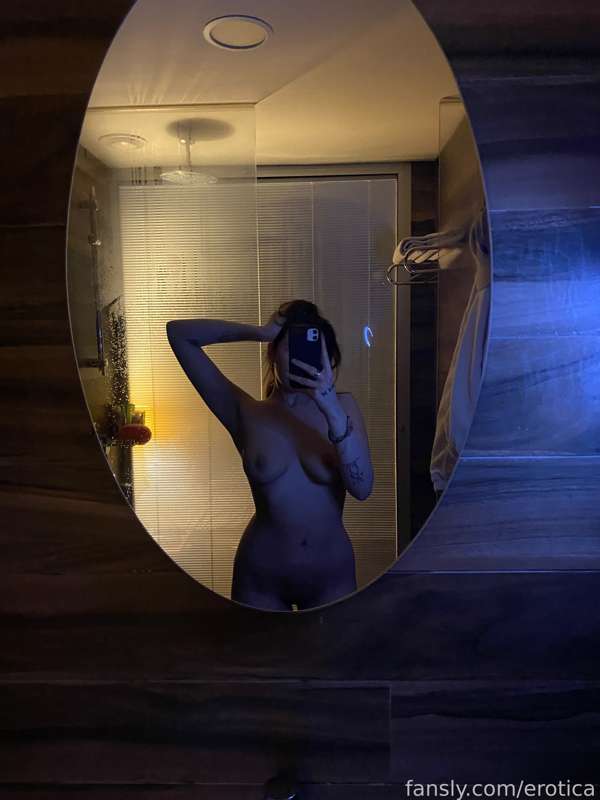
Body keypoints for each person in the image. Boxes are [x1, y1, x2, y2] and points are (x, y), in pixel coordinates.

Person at [166, 299, 374, 612]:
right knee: (258, 647)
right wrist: (261, 332)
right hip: (260, 575)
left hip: (331, 576)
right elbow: (179, 334)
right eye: (291, 346)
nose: (300, 358)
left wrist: (330, 407)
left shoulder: (343, 408)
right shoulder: (248, 413)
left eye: (312, 349)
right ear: (273, 353)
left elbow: (362, 488)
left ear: (328, 358)